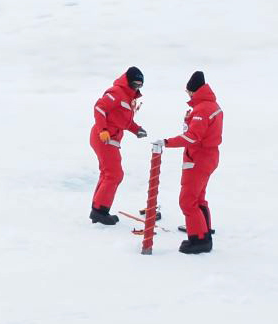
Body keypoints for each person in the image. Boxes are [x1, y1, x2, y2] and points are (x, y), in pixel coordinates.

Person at [155, 70, 222, 254]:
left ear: (194, 90)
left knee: (187, 201)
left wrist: (167, 142)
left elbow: (193, 137)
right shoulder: (211, 105)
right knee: (199, 198)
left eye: (188, 91)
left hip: (199, 159)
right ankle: (204, 233)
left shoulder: (202, 109)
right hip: (209, 156)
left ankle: (199, 240)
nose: (188, 95)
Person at [88, 66, 146, 225]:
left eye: (140, 85)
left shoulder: (128, 98)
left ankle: (97, 208)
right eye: (134, 83)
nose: (137, 87)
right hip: (104, 138)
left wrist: (136, 129)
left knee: (107, 173)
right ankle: (100, 211)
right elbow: (99, 108)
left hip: (111, 138)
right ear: (128, 81)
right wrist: (103, 130)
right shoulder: (117, 93)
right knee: (115, 174)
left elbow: (122, 120)